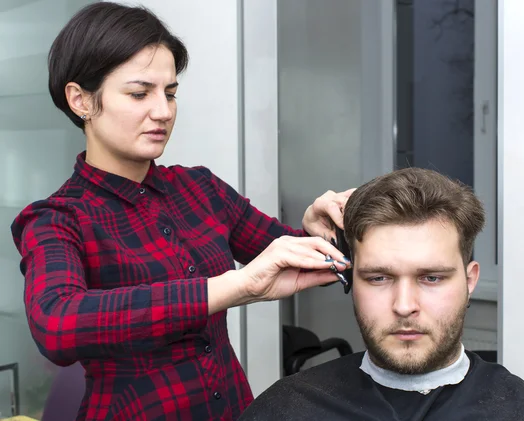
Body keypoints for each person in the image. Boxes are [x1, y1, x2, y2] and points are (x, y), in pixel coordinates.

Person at [10, 3, 353, 421]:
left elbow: (288, 258)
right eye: (139, 94)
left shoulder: (199, 189)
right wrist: (232, 287)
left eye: (170, 93)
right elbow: (58, 324)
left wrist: (322, 236)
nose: (163, 111)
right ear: (80, 99)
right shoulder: (57, 218)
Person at [238, 168, 524, 421]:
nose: (404, 306)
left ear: (470, 281)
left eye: (432, 278)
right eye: (378, 278)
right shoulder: (285, 410)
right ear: (348, 280)